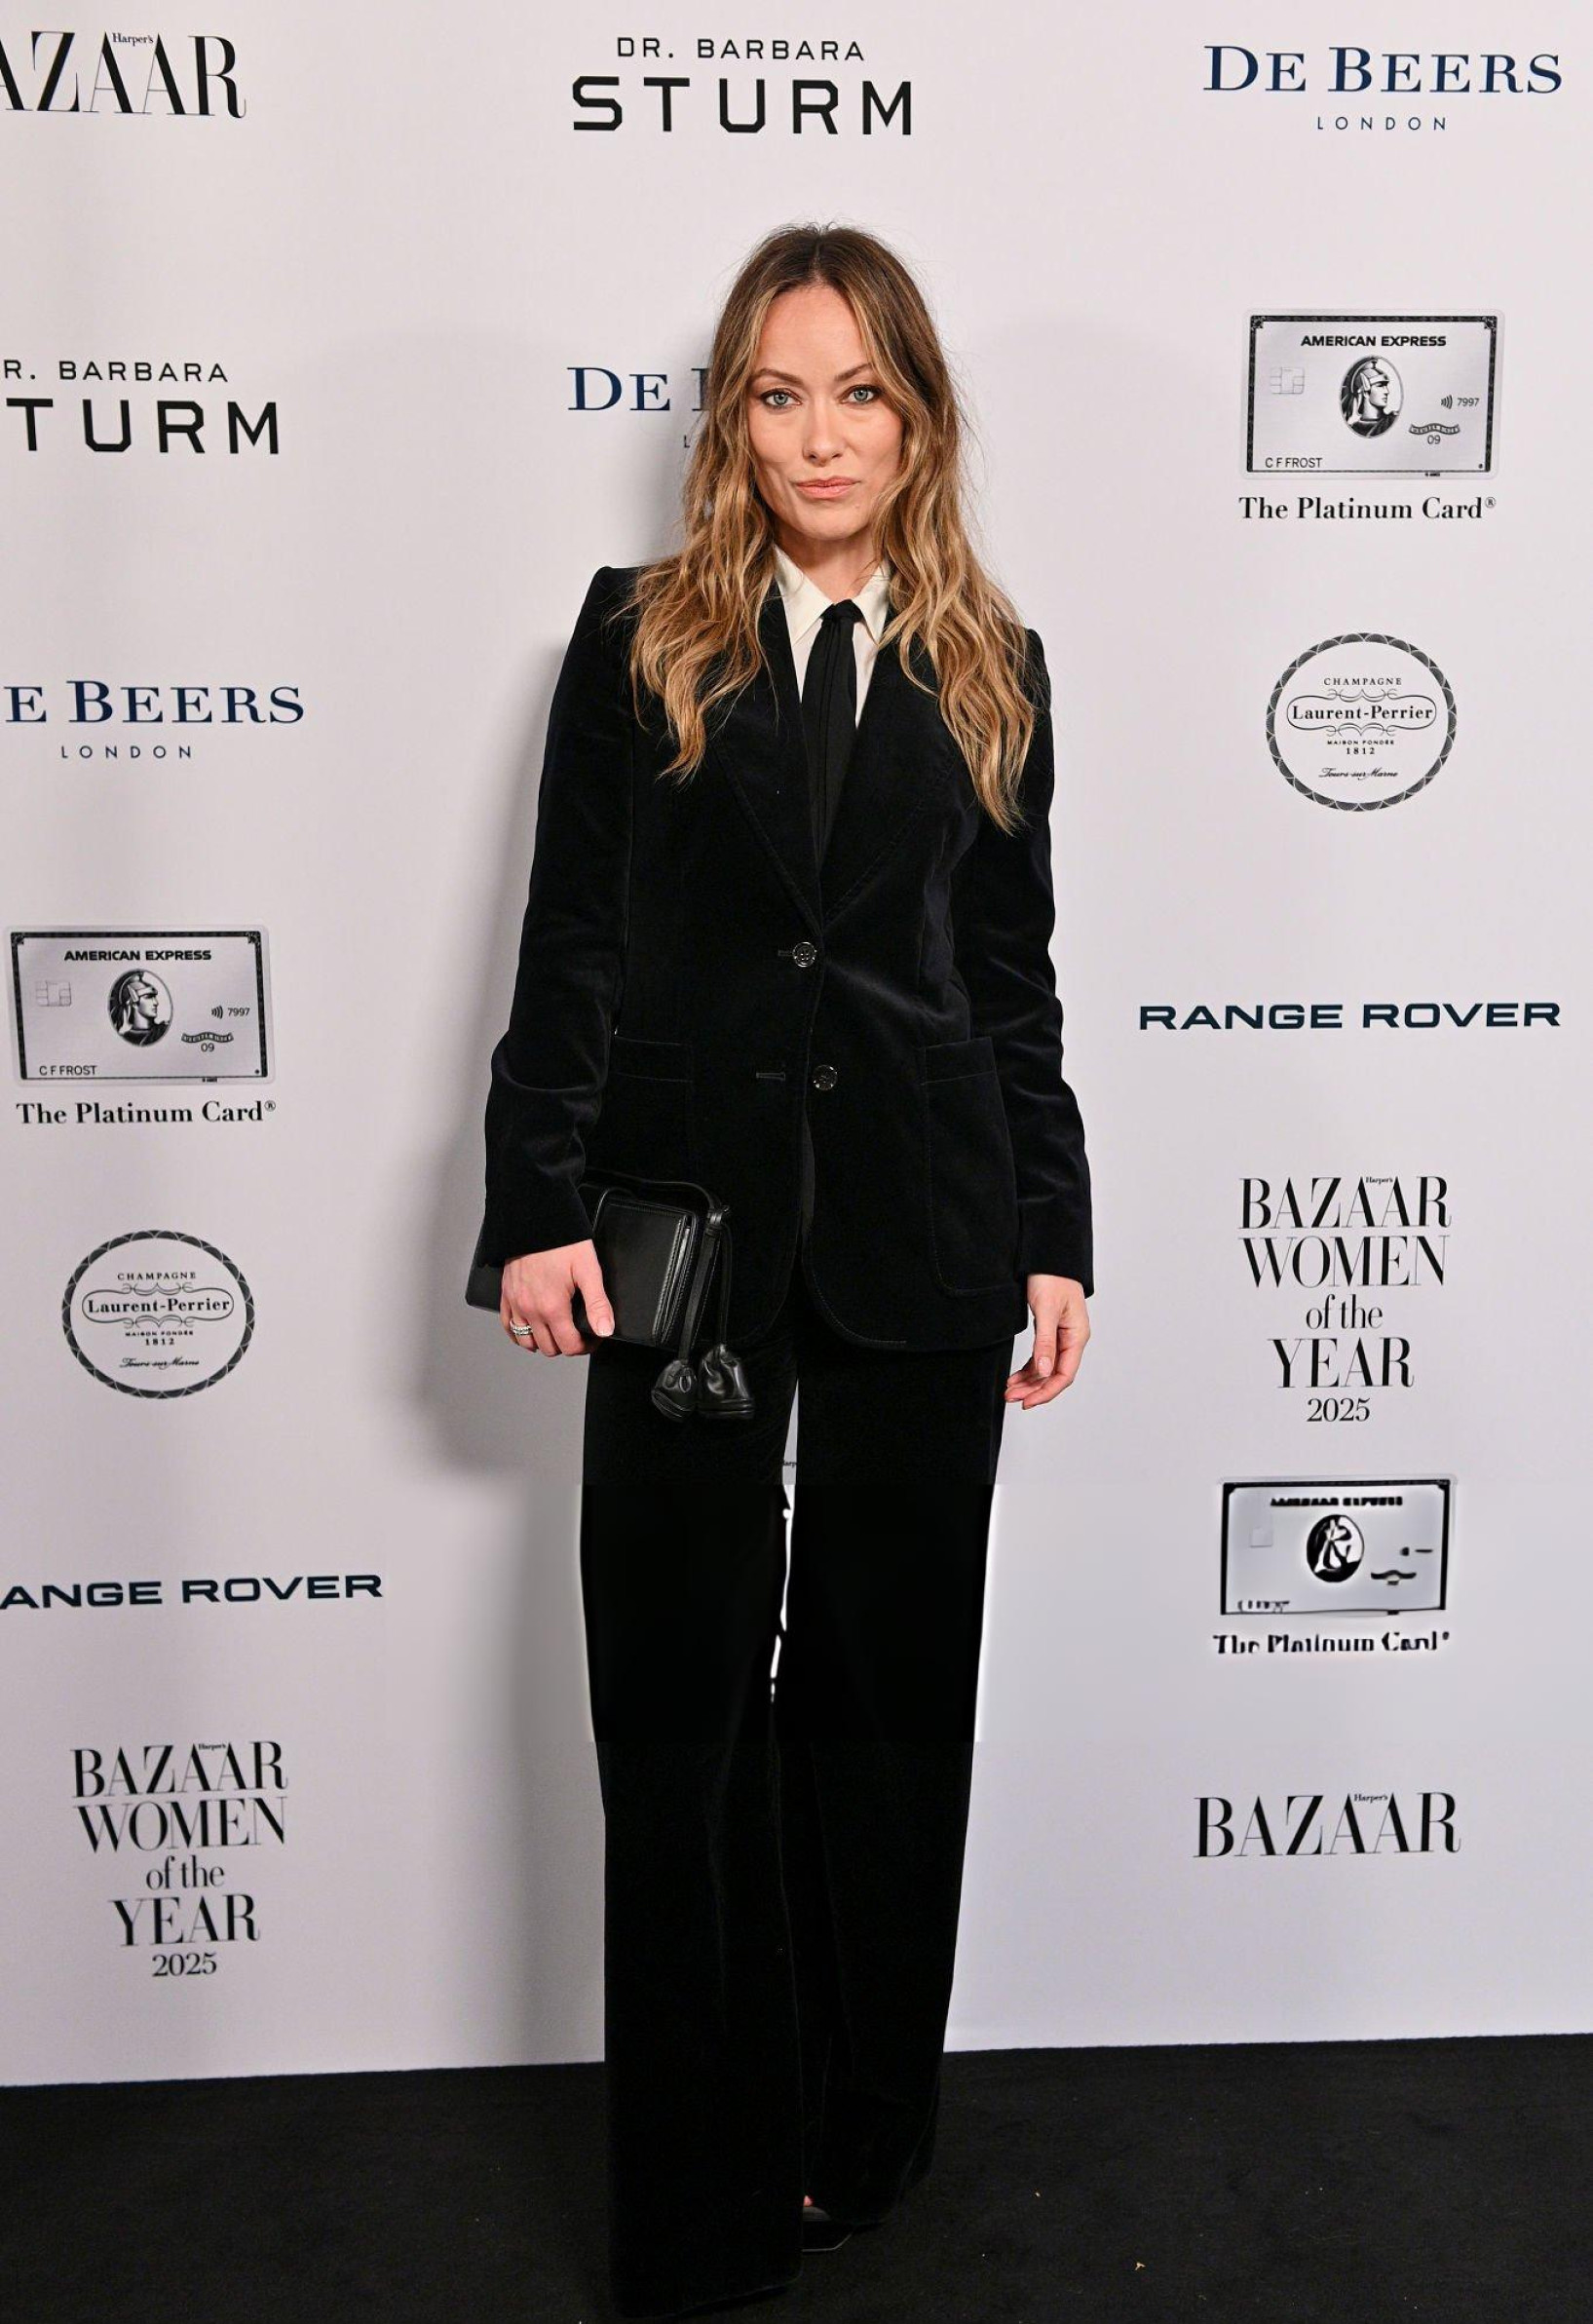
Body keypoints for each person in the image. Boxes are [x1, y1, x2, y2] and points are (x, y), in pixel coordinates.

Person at [474, 221, 1094, 2320]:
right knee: (677, 1710)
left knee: (887, 1704)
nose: (821, 435)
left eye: (860, 393)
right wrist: (536, 1203)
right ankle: (700, 2187)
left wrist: (1052, 1229)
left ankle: (858, 2126)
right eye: (778, 393)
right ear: (732, 420)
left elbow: (1006, 984)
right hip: (681, 1238)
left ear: (916, 418)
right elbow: (570, 939)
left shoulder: (993, 661)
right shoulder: (635, 633)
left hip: (928, 1226)